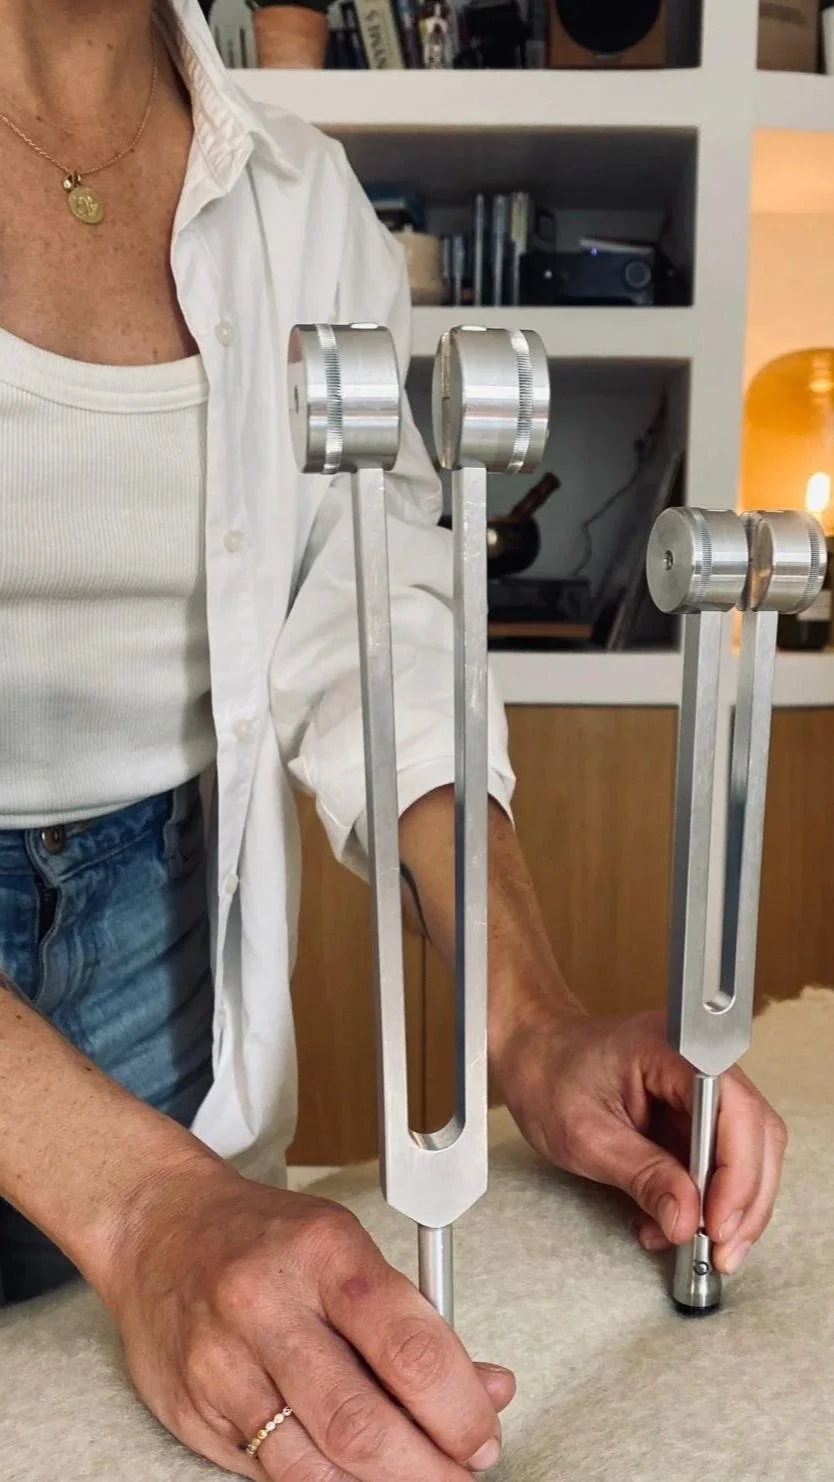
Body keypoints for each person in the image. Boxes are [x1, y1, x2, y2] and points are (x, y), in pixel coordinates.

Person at [0, 2, 786, 1478]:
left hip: (170, 921)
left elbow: (368, 618)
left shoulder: (299, 205)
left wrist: (526, 1017)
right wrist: (138, 1205)